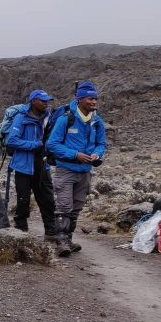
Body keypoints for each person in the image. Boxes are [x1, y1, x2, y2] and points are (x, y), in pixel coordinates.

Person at [46, 81, 107, 257]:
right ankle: (60, 242)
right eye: (90, 98)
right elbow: (52, 144)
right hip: (66, 170)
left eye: (95, 98)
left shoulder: (97, 121)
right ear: (80, 99)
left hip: (85, 172)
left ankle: (69, 239)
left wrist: (97, 153)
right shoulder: (66, 118)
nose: (94, 102)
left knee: (76, 208)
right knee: (64, 206)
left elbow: (101, 143)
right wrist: (75, 155)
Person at [5, 89, 56, 238]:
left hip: (42, 164)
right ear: (33, 101)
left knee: (47, 198)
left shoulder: (47, 117)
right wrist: (34, 145)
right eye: (42, 100)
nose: (46, 103)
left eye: (47, 100)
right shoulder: (21, 118)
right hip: (23, 165)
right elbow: (12, 140)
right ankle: (21, 231)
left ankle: (51, 231)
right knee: (23, 200)